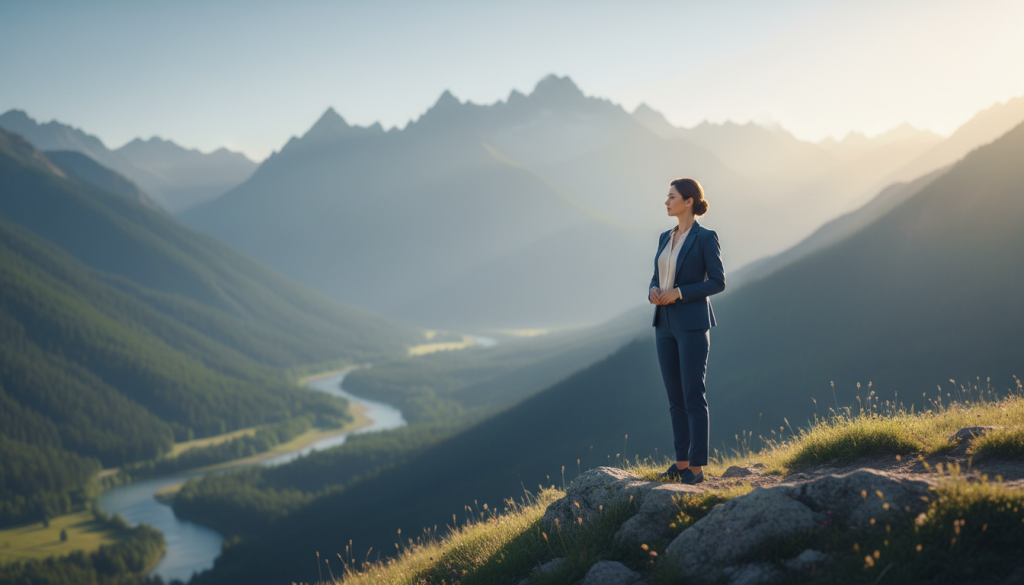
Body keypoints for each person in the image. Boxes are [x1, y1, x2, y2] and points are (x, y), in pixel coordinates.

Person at [648, 177, 725, 485]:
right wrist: (654, 290)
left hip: (692, 323)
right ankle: (680, 463)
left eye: (671, 197)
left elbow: (718, 282)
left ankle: (696, 467)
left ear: (689, 201)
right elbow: (656, 276)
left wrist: (679, 293)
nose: (666, 202)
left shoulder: (706, 237)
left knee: (694, 395)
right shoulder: (664, 237)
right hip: (663, 324)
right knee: (674, 397)